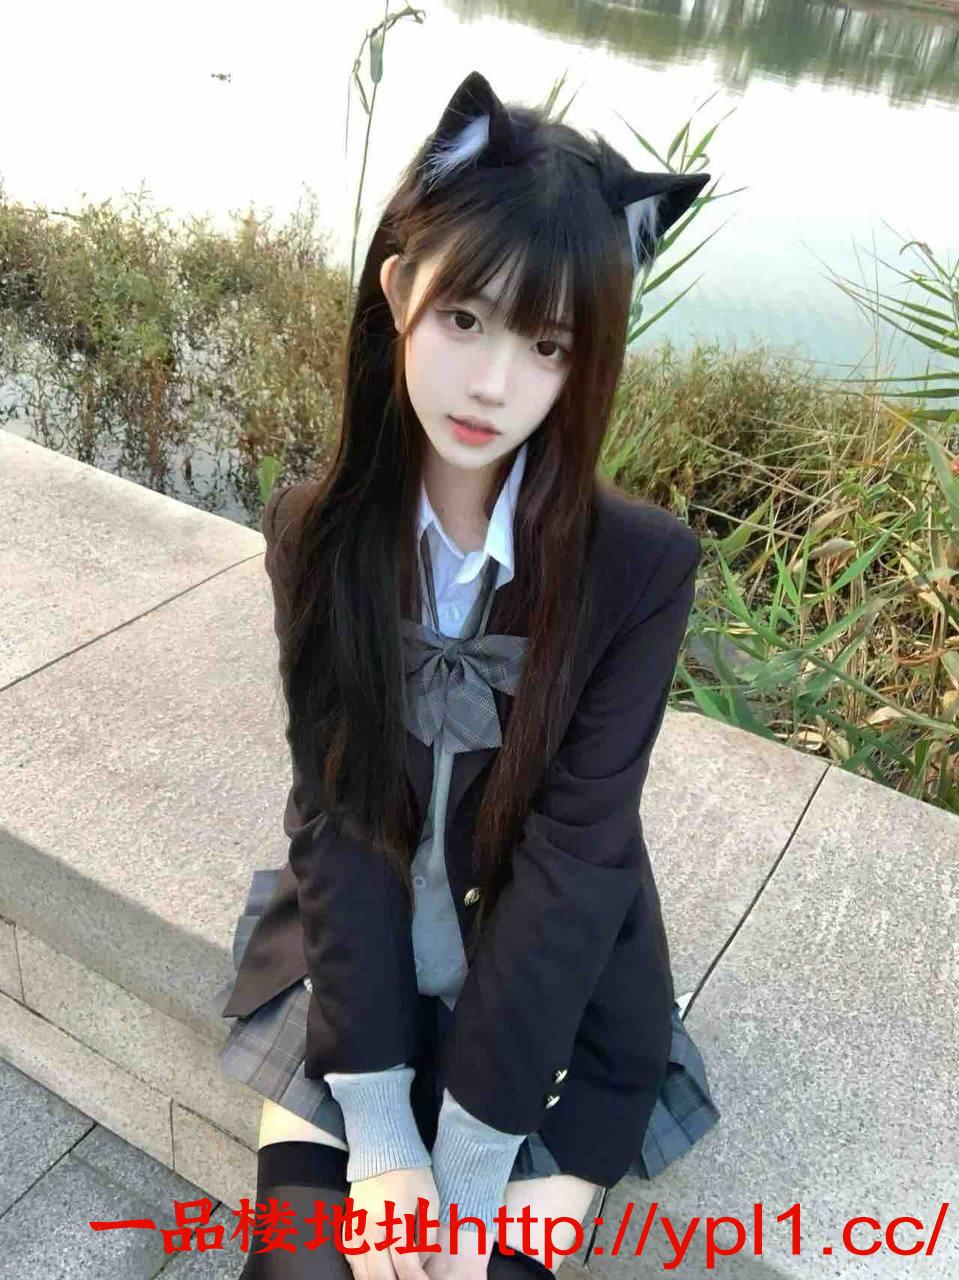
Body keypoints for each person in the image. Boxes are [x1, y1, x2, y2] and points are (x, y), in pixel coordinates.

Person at [213, 69, 720, 1280]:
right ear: (399, 291)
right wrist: (383, 1130)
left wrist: (470, 1157)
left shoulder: (637, 568)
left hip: (550, 996)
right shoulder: (316, 533)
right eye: (463, 319)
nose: (494, 384)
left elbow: (577, 854)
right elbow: (332, 811)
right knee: (296, 1266)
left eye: (546, 345)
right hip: (358, 968)